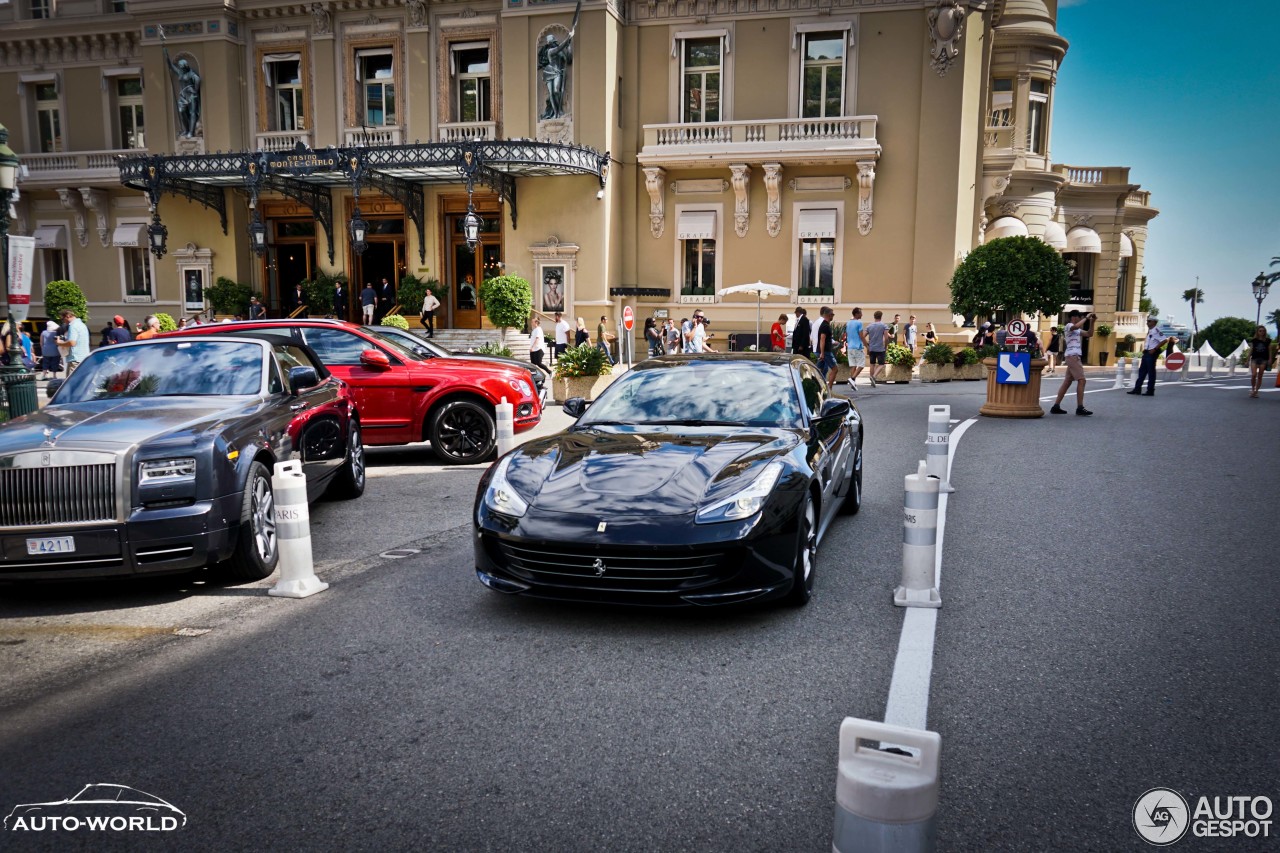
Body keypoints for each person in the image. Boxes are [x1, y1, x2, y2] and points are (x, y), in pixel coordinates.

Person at [1050, 310, 1094, 416]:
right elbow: (1075, 327)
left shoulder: (1077, 330)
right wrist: (1086, 318)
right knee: (1082, 380)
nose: (1080, 319)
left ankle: (1056, 406)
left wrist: (1092, 322)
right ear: (1074, 317)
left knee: (1067, 382)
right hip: (1073, 356)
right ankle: (1080, 407)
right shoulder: (1069, 325)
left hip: (1072, 356)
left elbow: (1089, 334)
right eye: (1079, 317)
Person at [161, 32, 201, 138]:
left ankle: (191, 132)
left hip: (191, 95)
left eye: (181, 66)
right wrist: (166, 54)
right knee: (181, 111)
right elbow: (170, 66)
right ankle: (187, 129)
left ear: (185, 66)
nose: (180, 68)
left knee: (192, 113)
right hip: (183, 96)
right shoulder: (180, 73)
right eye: (179, 66)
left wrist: (194, 91)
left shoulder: (192, 74)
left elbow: (197, 81)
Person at [1127, 316, 1177, 398]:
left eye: (1149, 321)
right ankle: (1137, 389)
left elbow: (1164, 340)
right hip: (1146, 353)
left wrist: (1155, 349)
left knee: (1151, 372)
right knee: (1142, 372)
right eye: (1147, 321)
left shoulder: (1156, 331)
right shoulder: (1150, 331)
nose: (1147, 322)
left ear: (1154, 322)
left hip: (1151, 353)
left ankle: (1150, 390)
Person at [538, 27, 575, 120]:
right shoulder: (550, 51)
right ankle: (556, 113)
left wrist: (569, 46)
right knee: (551, 94)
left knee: (556, 91)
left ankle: (559, 112)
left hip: (559, 72)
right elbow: (559, 48)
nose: (551, 43)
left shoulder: (561, 52)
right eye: (550, 42)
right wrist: (568, 38)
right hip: (549, 72)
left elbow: (569, 59)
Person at [58, 309, 90, 375]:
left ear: (68, 316)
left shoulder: (73, 326)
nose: (63, 321)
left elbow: (72, 343)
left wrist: (59, 343)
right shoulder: (82, 325)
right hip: (83, 358)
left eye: (63, 319)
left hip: (75, 359)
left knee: (71, 383)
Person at [865, 310, 889, 387]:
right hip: (880, 348)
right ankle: (874, 376)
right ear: (881, 317)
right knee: (881, 364)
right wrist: (885, 346)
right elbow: (886, 337)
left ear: (874, 317)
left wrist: (867, 345)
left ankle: (872, 380)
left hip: (871, 348)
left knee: (872, 364)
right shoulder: (884, 326)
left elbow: (863, 336)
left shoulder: (869, 326)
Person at [845, 307, 867, 389]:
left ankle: (853, 384)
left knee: (853, 366)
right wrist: (867, 346)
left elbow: (847, 334)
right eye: (861, 313)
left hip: (850, 347)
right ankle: (852, 378)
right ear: (857, 314)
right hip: (857, 346)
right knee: (861, 365)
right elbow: (861, 336)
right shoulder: (859, 323)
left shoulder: (848, 323)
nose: (862, 315)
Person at [816, 306, 838, 388]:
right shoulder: (825, 325)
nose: (833, 316)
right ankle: (829, 388)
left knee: (818, 369)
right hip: (826, 352)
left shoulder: (825, 324)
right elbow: (822, 339)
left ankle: (819, 385)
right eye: (832, 314)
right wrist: (822, 353)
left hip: (824, 351)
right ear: (829, 315)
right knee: (835, 369)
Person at [1247, 325, 1270, 398]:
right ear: (1257, 332)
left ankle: (1256, 391)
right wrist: (1247, 359)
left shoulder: (1268, 340)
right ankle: (1253, 389)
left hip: (1263, 359)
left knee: (1260, 376)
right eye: (1260, 331)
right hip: (1254, 358)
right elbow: (1251, 349)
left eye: (1263, 331)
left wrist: (1270, 359)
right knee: (1253, 375)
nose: (1262, 332)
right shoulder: (1254, 340)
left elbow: (1269, 350)